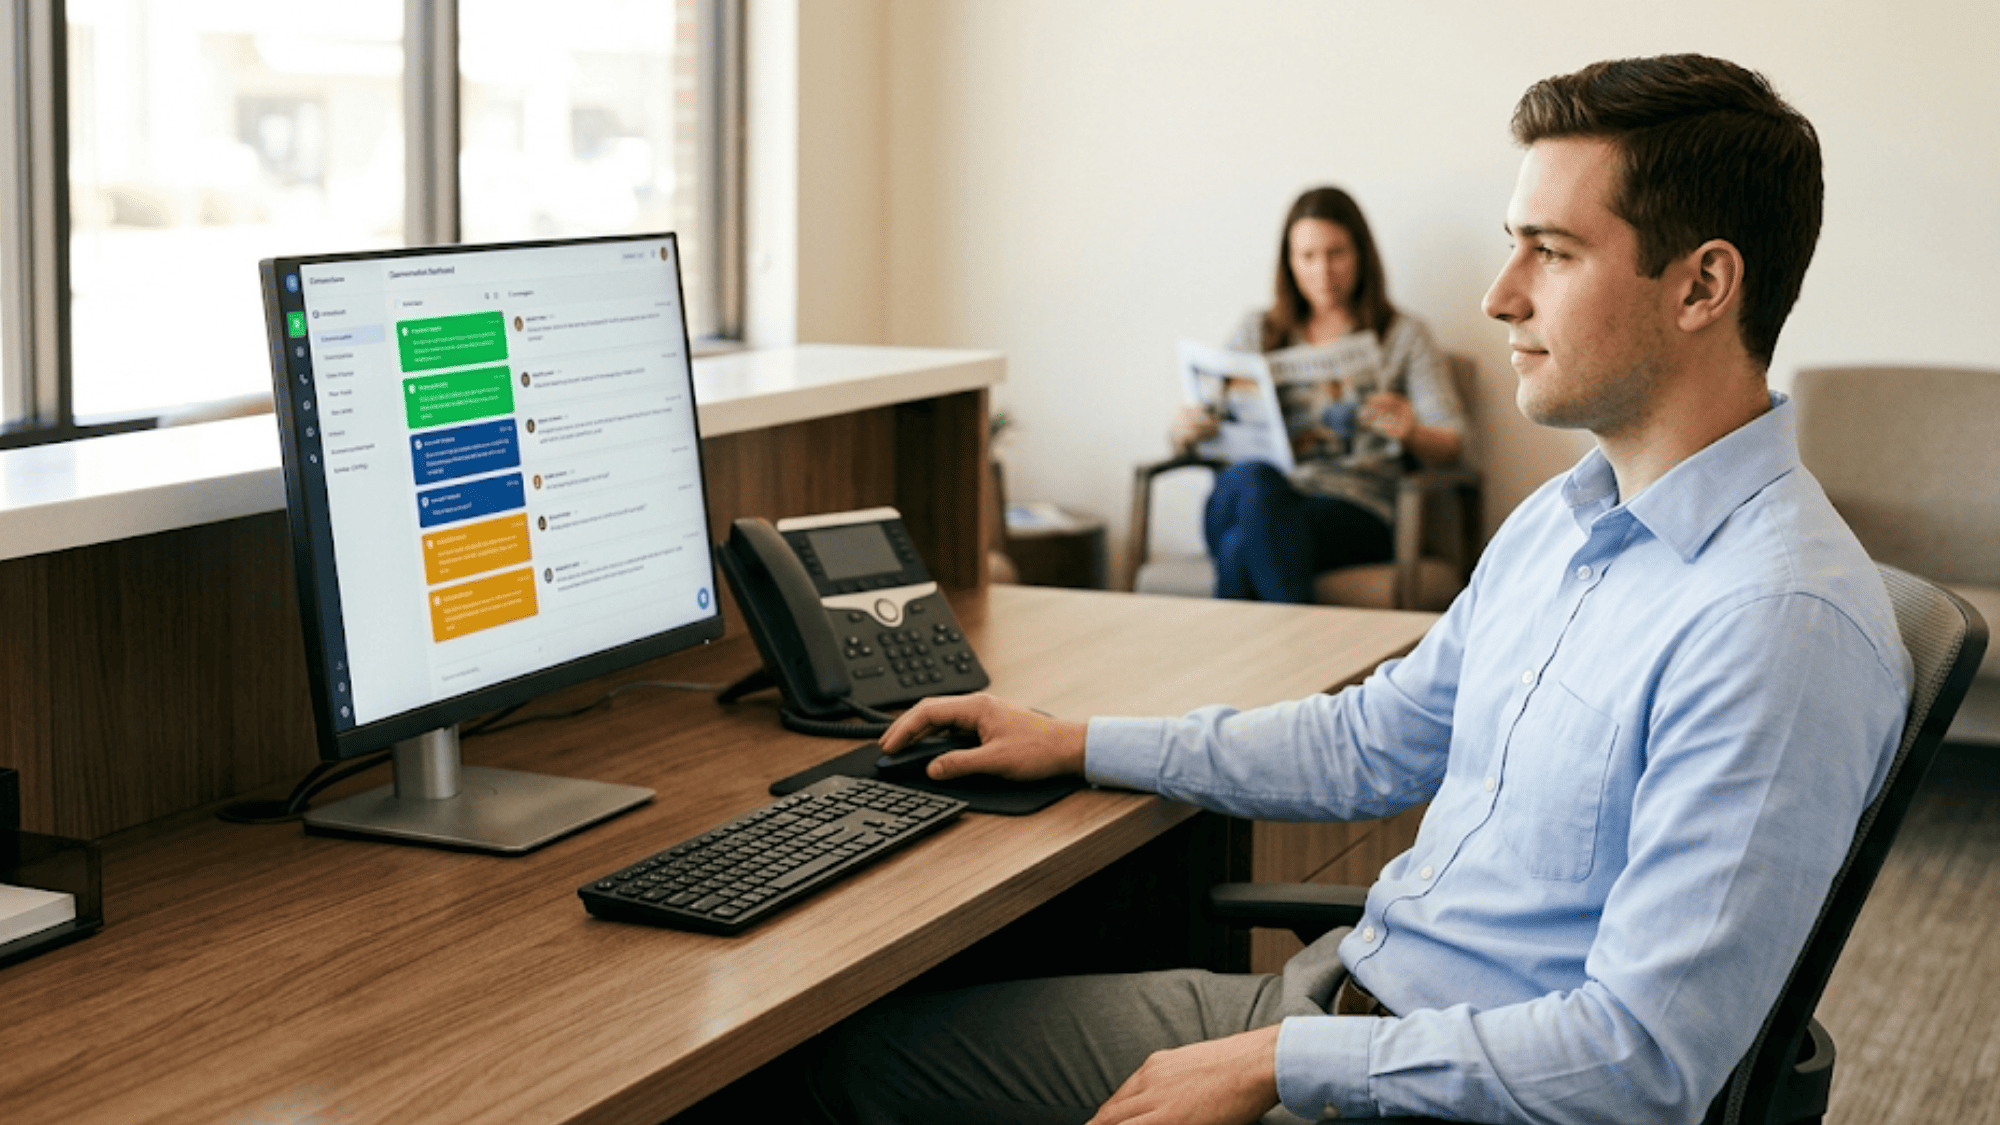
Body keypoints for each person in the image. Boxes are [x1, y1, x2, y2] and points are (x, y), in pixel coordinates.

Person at [804, 54, 1914, 1125]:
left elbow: (1640, 1061)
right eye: (1507, 245)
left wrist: (1286, 1063)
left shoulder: (1776, 626)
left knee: (822, 1076)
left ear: (1701, 286)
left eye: (1551, 252)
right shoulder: (1565, 519)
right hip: (1331, 1011)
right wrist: (1077, 741)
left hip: (1412, 1088)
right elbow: (1367, 743)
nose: (1497, 295)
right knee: (848, 1059)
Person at [1173, 187, 1465, 602]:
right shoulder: (1258, 331)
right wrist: (1184, 430)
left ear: (1361, 254)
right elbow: (1211, 420)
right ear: (1288, 263)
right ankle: (1305, 654)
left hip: (1354, 510)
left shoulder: (1402, 335)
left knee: (1242, 546)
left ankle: (1269, 658)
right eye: (1307, 257)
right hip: (1257, 495)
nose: (1323, 271)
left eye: (1336, 253)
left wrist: (1411, 431)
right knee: (1256, 482)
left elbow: (1453, 441)